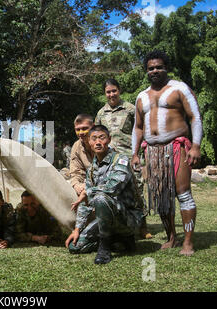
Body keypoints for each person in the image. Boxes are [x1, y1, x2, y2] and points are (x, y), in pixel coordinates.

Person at [131, 50, 202, 256]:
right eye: (151, 68)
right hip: (152, 151)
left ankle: (188, 242)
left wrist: (195, 146)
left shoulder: (179, 88)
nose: (155, 71)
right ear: (146, 71)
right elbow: (137, 127)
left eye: (159, 67)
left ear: (166, 68)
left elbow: (194, 117)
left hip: (177, 146)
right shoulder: (141, 96)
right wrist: (135, 153)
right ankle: (172, 237)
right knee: (162, 196)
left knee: (183, 193)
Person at [66, 125, 144, 264]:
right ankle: (118, 240)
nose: (97, 142)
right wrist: (77, 229)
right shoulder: (91, 169)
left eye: (101, 138)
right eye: (94, 138)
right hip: (105, 220)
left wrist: (87, 192)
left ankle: (105, 246)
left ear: (109, 139)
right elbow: (86, 203)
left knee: (101, 198)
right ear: (89, 142)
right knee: (75, 247)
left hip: (128, 218)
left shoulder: (120, 160)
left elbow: (112, 188)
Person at [95, 78, 152, 240]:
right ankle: (120, 226)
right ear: (105, 94)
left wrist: (142, 152)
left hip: (130, 156)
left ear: (119, 90)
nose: (111, 94)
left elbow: (142, 130)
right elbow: (96, 135)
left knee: (137, 190)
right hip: (110, 159)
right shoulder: (101, 113)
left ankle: (143, 226)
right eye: (108, 92)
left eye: (114, 90)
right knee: (114, 191)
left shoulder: (130, 109)